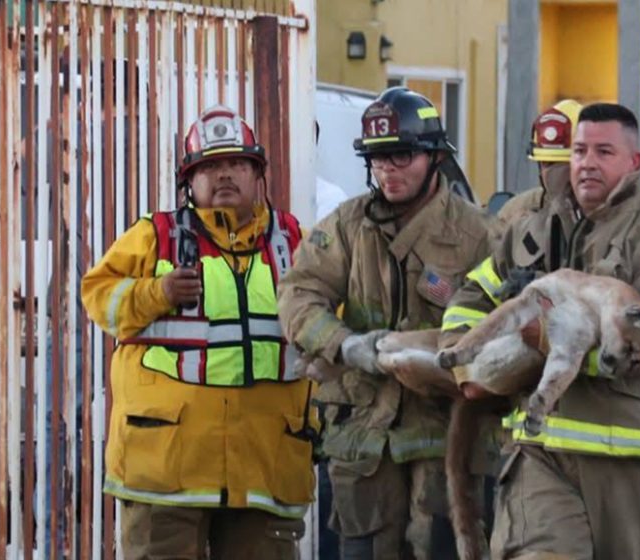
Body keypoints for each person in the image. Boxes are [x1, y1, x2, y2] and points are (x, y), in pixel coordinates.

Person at [442, 103, 640, 559]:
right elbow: (471, 299)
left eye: (604, 151)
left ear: (634, 162)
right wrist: (468, 368)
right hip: (540, 453)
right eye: (579, 150)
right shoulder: (531, 232)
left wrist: (540, 341)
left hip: (636, 462)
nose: (587, 162)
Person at [80, 106, 317, 559]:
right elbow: (97, 298)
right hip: (166, 473)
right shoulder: (155, 236)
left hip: (263, 470)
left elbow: (332, 325)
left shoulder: (296, 242)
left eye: (236, 164)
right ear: (190, 181)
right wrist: (157, 293)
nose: (224, 175)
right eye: (209, 166)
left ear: (256, 173)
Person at [277, 87, 494, 559]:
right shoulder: (348, 226)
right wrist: (345, 345)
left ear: (434, 157)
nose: (387, 171)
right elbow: (297, 296)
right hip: (363, 437)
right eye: (377, 160)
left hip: (446, 437)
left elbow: (505, 327)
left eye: (400, 156)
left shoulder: (479, 234)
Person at [493, 99, 583, 236]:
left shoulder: (613, 216)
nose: (551, 174)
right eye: (546, 163)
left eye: (562, 165)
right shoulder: (515, 213)